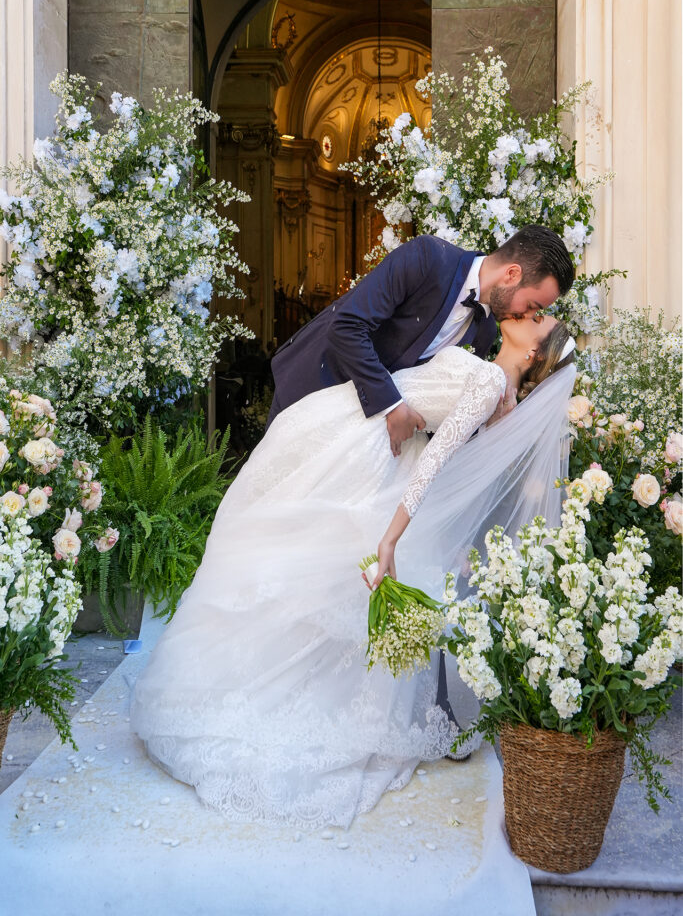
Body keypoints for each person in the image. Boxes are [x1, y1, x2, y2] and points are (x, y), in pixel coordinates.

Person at [130, 308, 577, 832]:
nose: (531, 313)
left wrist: (389, 539)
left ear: (532, 352)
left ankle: (271, 695)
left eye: (539, 322)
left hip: (369, 453)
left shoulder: (487, 382)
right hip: (363, 431)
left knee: (298, 557)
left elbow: (434, 464)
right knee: (292, 553)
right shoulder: (489, 375)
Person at [268, 226, 575, 457]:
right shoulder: (429, 258)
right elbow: (347, 325)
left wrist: (485, 421)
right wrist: (392, 405)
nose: (526, 314)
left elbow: (434, 401)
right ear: (511, 274)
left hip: (357, 441)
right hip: (312, 390)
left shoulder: (485, 332)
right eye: (533, 306)